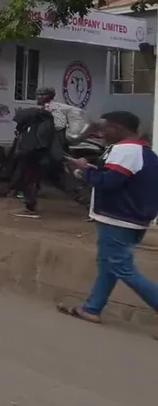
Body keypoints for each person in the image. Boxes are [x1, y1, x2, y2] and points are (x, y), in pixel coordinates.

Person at [57, 111, 158, 328]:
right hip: (129, 218)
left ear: (119, 128)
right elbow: (118, 176)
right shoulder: (142, 150)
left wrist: (81, 173)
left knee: (122, 269)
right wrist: (90, 168)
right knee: (108, 266)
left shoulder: (125, 150)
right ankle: (92, 309)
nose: (101, 133)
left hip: (119, 219)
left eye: (106, 127)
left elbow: (109, 182)